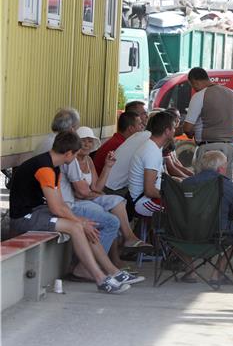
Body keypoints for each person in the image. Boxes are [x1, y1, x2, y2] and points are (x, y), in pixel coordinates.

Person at [9, 132, 133, 294]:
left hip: (38, 211)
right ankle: (100, 278)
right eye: (75, 155)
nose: (75, 158)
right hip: (23, 217)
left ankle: (112, 271)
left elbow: (61, 203)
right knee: (77, 227)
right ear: (68, 154)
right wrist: (80, 223)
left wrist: (83, 221)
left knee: (86, 224)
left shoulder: (54, 166)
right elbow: (56, 208)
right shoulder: (45, 168)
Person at [72, 127, 153, 265]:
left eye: (89, 141)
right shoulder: (71, 161)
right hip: (76, 202)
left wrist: (107, 166)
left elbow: (97, 187)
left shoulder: (88, 160)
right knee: (112, 214)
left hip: (89, 198)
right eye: (83, 141)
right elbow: (80, 193)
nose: (86, 144)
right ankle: (122, 247)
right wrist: (93, 193)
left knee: (117, 201)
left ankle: (123, 246)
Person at [182, 151, 233, 285]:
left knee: (171, 225)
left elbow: (177, 212)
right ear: (221, 168)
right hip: (217, 235)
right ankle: (217, 273)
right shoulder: (228, 185)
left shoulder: (186, 183)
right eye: (226, 166)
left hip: (186, 235)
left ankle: (190, 270)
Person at [183, 67, 233, 179]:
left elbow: (187, 127)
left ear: (195, 81)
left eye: (193, 86)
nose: (194, 89)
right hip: (230, 146)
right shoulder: (232, 93)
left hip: (208, 148)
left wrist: (191, 134)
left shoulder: (199, 96)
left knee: (205, 185)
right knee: (225, 183)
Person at [128, 111, 176, 217]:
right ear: (167, 131)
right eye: (173, 128)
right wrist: (171, 194)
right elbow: (149, 191)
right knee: (179, 210)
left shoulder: (155, 147)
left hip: (149, 198)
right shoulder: (151, 152)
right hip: (142, 202)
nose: (175, 131)